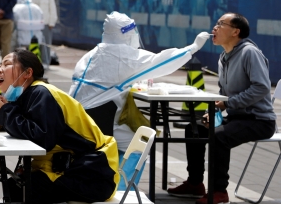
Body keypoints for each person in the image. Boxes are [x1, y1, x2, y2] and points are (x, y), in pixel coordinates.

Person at [0, 49, 118, 204]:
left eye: (7, 64)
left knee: (27, 189)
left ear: (27, 73)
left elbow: (41, 138)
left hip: (92, 173)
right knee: (16, 187)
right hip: (70, 168)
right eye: (0, 65)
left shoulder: (42, 93)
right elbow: (31, 126)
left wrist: (7, 114)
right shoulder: (28, 95)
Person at [168, 13, 276, 204]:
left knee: (219, 137)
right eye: (216, 24)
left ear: (236, 31)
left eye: (221, 24)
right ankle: (195, 184)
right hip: (236, 117)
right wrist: (215, 113)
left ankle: (219, 192)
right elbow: (223, 94)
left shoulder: (249, 53)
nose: (215, 28)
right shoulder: (224, 57)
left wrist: (227, 104)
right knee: (195, 128)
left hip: (259, 121)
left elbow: (261, 87)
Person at [70, 12, 209, 154]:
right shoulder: (123, 56)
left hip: (73, 119)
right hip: (97, 123)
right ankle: (119, 176)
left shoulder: (92, 54)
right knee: (141, 144)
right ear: (127, 34)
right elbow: (162, 62)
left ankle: (109, 171)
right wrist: (193, 47)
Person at [30, 0, 58, 66]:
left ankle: (46, 61)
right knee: (36, 43)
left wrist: (52, 22)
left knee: (46, 43)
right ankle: (37, 61)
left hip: (46, 23)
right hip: (35, 24)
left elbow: (52, 8)